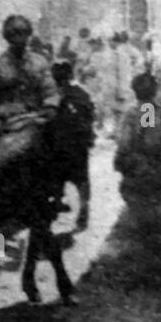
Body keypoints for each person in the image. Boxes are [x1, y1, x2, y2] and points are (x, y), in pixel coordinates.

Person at [0, 14, 60, 224]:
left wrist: (50, 106)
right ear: (6, 36)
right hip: (3, 125)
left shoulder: (39, 63)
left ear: (29, 35)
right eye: (14, 33)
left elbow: (50, 91)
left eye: (23, 32)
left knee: (56, 157)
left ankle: (53, 197)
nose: (19, 38)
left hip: (34, 121)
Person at [114, 71, 161, 215]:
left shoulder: (132, 113)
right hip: (153, 166)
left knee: (138, 206)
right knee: (151, 203)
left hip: (136, 166)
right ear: (155, 91)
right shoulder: (159, 113)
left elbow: (125, 142)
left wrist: (121, 158)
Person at [51, 59, 95, 230]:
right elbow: (90, 115)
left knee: (55, 178)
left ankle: (56, 202)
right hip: (78, 144)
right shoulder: (82, 93)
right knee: (81, 179)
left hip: (58, 144)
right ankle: (84, 210)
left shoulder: (51, 95)